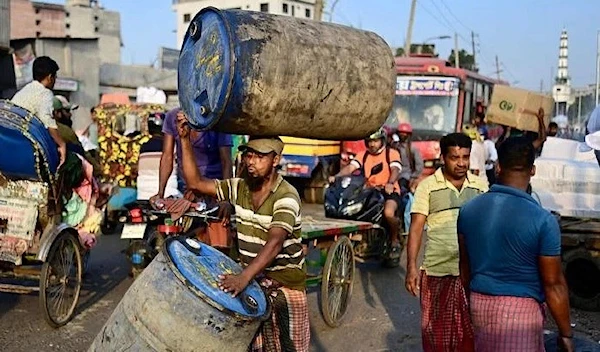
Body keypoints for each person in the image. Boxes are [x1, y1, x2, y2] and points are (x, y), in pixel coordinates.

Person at [175, 111, 309, 352]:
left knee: (291, 347)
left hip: (284, 282)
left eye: (260, 156)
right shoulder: (239, 187)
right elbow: (195, 182)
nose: (251, 161)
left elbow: (275, 242)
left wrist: (243, 278)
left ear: (275, 160)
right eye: (249, 155)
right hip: (253, 278)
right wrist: (184, 140)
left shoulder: (286, 195)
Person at [458, 137, 573, 352]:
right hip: (521, 313)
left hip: (479, 303)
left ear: (499, 167)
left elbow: (465, 269)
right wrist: (566, 333)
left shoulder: (468, 210)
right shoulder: (543, 220)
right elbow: (553, 284)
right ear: (533, 170)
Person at [405, 133, 488, 352]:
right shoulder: (427, 187)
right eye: (455, 157)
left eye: (465, 157)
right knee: (434, 333)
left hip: (472, 272)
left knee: (470, 333)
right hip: (437, 271)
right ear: (443, 158)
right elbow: (416, 229)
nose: (461, 163)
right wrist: (411, 266)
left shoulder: (480, 187)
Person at [329, 127, 404, 261]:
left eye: (375, 141)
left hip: (389, 191)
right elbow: (351, 168)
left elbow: (395, 169)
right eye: (369, 141)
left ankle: (394, 240)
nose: (372, 144)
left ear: (382, 141)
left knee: (388, 213)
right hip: (369, 191)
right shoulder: (363, 155)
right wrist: (337, 176)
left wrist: (390, 183)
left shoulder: (391, 153)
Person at [153, 107, 233, 199]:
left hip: (213, 185)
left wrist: (226, 197)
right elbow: (167, 157)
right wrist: (160, 192)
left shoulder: (217, 118)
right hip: (186, 185)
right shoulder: (173, 117)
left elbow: (226, 161)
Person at [11, 56, 67, 165]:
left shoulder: (25, 90)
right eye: (55, 77)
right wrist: (62, 144)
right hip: (25, 144)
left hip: (12, 138)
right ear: (50, 77)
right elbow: (48, 122)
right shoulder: (45, 93)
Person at [394, 122, 424, 192]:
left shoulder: (412, 148)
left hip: (406, 175)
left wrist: (413, 177)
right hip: (393, 175)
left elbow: (419, 164)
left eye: (404, 133)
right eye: (400, 133)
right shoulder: (394, 146)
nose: (402, 135)